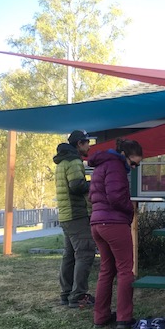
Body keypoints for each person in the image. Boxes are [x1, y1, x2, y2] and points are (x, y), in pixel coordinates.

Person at [88, 138, 143, 329]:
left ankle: (101, 316)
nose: (134, 167)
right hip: (114, 223)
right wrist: (131, 210)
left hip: (97, 223)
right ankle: (124, 318)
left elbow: (92, 196)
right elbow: (116, 197)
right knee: (125, 270)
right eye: (134, 163)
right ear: (124, 155)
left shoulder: (101, 166)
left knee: (106, 270)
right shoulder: (116, 166)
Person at [54, 130, 97, 308]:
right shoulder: (73, 161)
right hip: (76, 214)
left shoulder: (63, 161)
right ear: (79, 144)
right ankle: (78, 295)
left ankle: (66, 293)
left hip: (65, 215)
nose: (89, 146)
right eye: (87, 143)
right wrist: (95, 182)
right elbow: (77, 186)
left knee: (70, 255)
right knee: (85, 253)